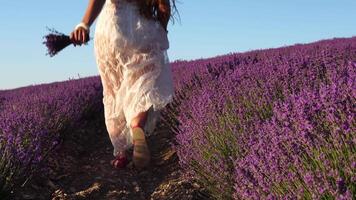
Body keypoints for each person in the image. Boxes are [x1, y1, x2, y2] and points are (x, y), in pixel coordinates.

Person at [70, 0, 178, 170]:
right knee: (143, 81)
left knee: (113, 89)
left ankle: (121, 154)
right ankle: (136, 126)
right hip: (142, 26)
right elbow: (163, 4)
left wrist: (84, 24)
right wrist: (161, 29)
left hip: (111, 27)